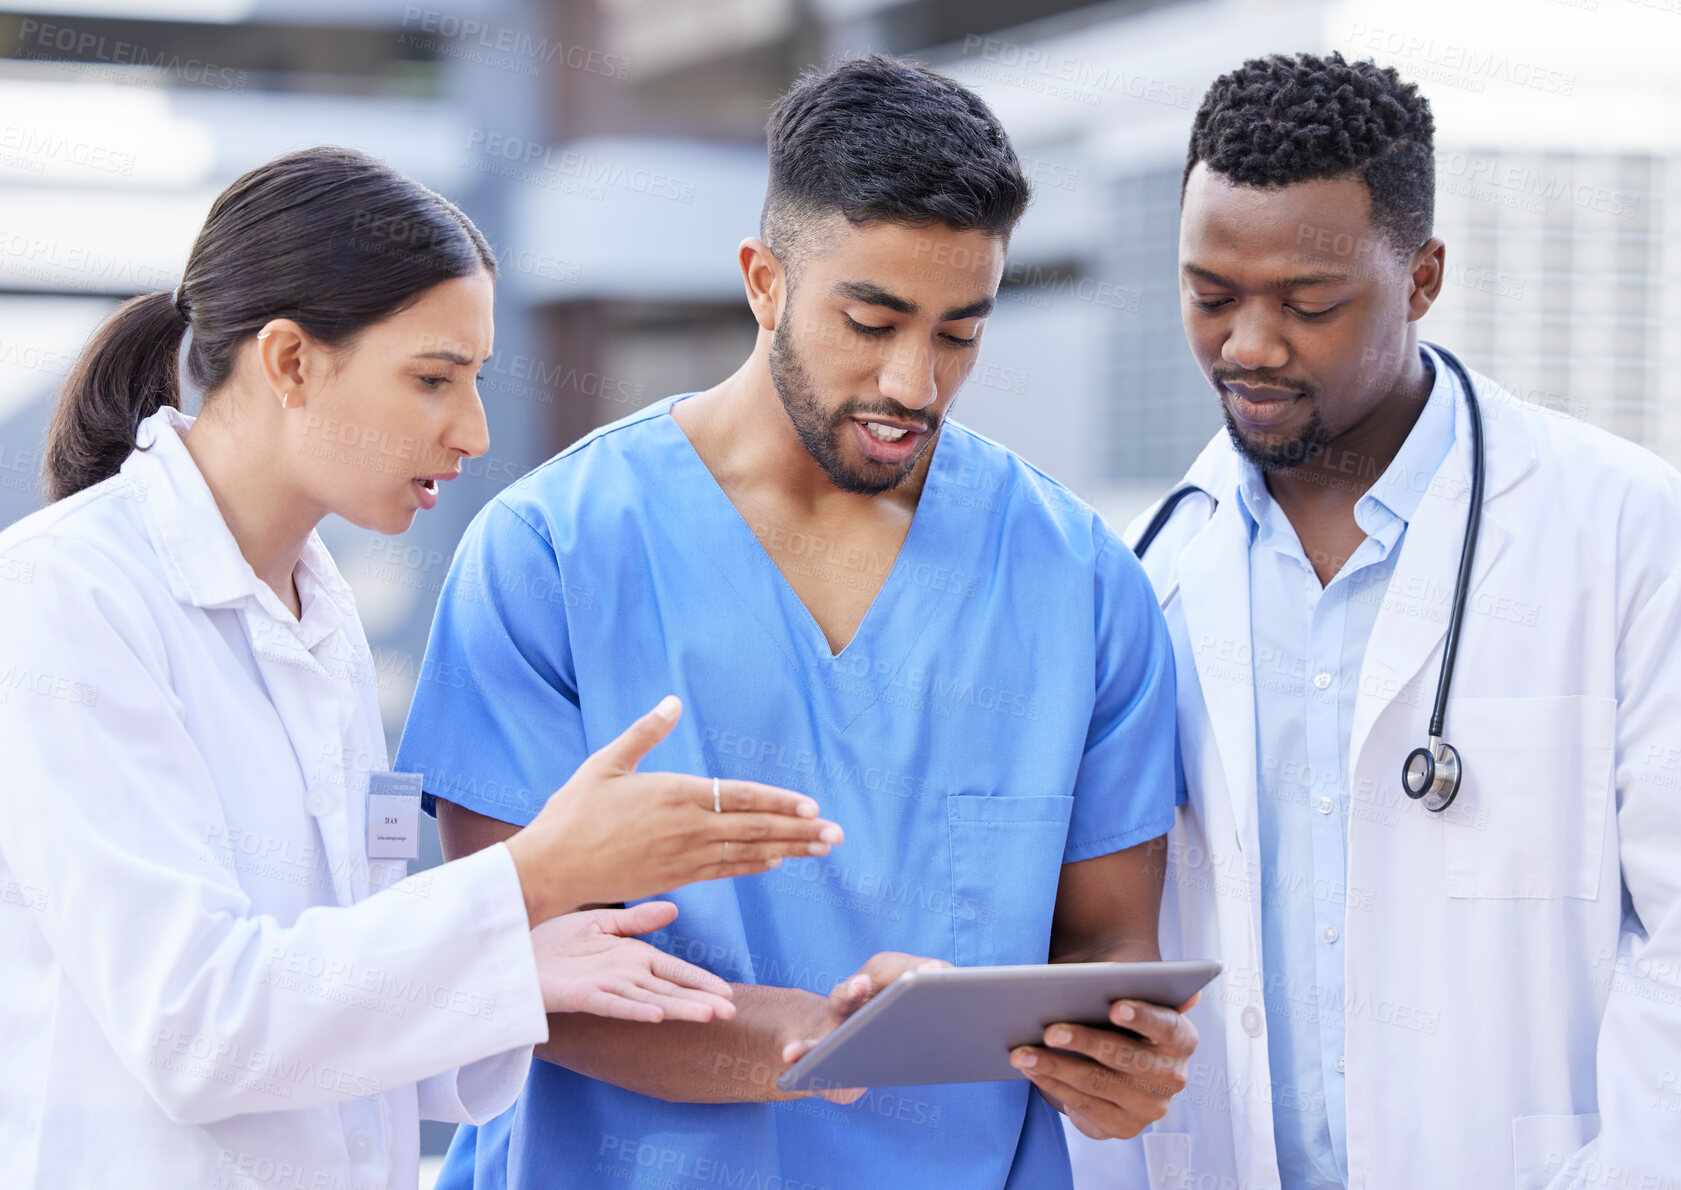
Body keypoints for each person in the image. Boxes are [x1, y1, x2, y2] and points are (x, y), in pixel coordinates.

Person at [396, 54, 1196, 1190]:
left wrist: (1119, 1062)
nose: (913, 382)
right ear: (763, 281)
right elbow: (509, 972)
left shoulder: (1081, 582)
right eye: (869, 320)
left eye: (959, 333)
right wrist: (830, 1035)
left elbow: (1111, 944)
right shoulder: (553, 553)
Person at [0, 146, 843, 1190]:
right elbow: (196, 1025)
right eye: (434, 378)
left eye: (477, 380)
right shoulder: (64, 595)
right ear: (291, 362)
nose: (474, 430)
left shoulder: (322, 608)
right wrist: (534, 877)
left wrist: (520, 969)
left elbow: (340, 1011)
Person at [1065, 52, 1681, 1190]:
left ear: (1423, 275)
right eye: (1209, 295)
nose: (1248, 344)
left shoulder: (1625, 529)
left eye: (1307, 304)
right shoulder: (1140, 574)